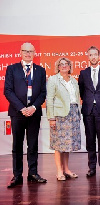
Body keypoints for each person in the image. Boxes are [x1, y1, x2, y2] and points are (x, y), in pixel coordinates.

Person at [4, 42, 47, 188]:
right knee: (17, 145)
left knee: (33, 144)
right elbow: (8, 91)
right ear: (20, 52)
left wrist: (34, 107)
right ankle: (17, 175)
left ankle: (33, 173)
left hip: (34, 113)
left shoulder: (41, 70)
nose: (28, 54)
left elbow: (43, 93)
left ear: (35, 53)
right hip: (17, 113)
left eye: (30, 51)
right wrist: (22, 108)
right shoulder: (12, 69)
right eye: (25, 51)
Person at [78, 46, 100, 177]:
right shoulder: (83, 73)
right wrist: (89, 101)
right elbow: (81, 92)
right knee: (90, 140)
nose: (93, 57)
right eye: (90, 55)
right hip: (88, 111)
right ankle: (92, 167)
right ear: (88, 56)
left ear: (99, 56)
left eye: (95, 55)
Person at [46, 57, 81, 181]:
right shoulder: (53, 80)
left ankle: (66, 169)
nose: (64, 66)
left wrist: (78, 114)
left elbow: (76, 98)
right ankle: (59, 171)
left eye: (66, 64)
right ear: (58, 67)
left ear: (70, 66)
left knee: (68, 145)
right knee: (58, 145)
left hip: (73, 114)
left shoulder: (74, 81)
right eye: (61, 64)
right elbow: (49, 99)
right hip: (59, 115)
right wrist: (51, 118)